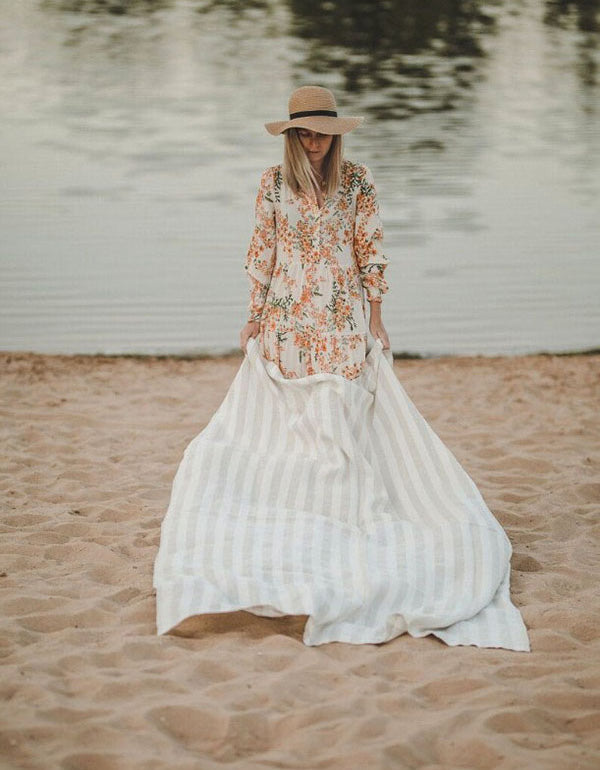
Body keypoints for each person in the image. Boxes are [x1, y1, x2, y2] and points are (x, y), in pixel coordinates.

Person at [239, 85, 391, 380]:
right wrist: (253, 318)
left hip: (343, 308)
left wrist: (376, 315)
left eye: (321, 133)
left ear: (335, 134)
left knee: (343, 396)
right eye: (305, 134)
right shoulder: (273, 181)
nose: (313, 142)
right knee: (294, 405)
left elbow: (369, 248)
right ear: (292, 137)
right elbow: (261, 253)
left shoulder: (358, 179)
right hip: (286, 310)